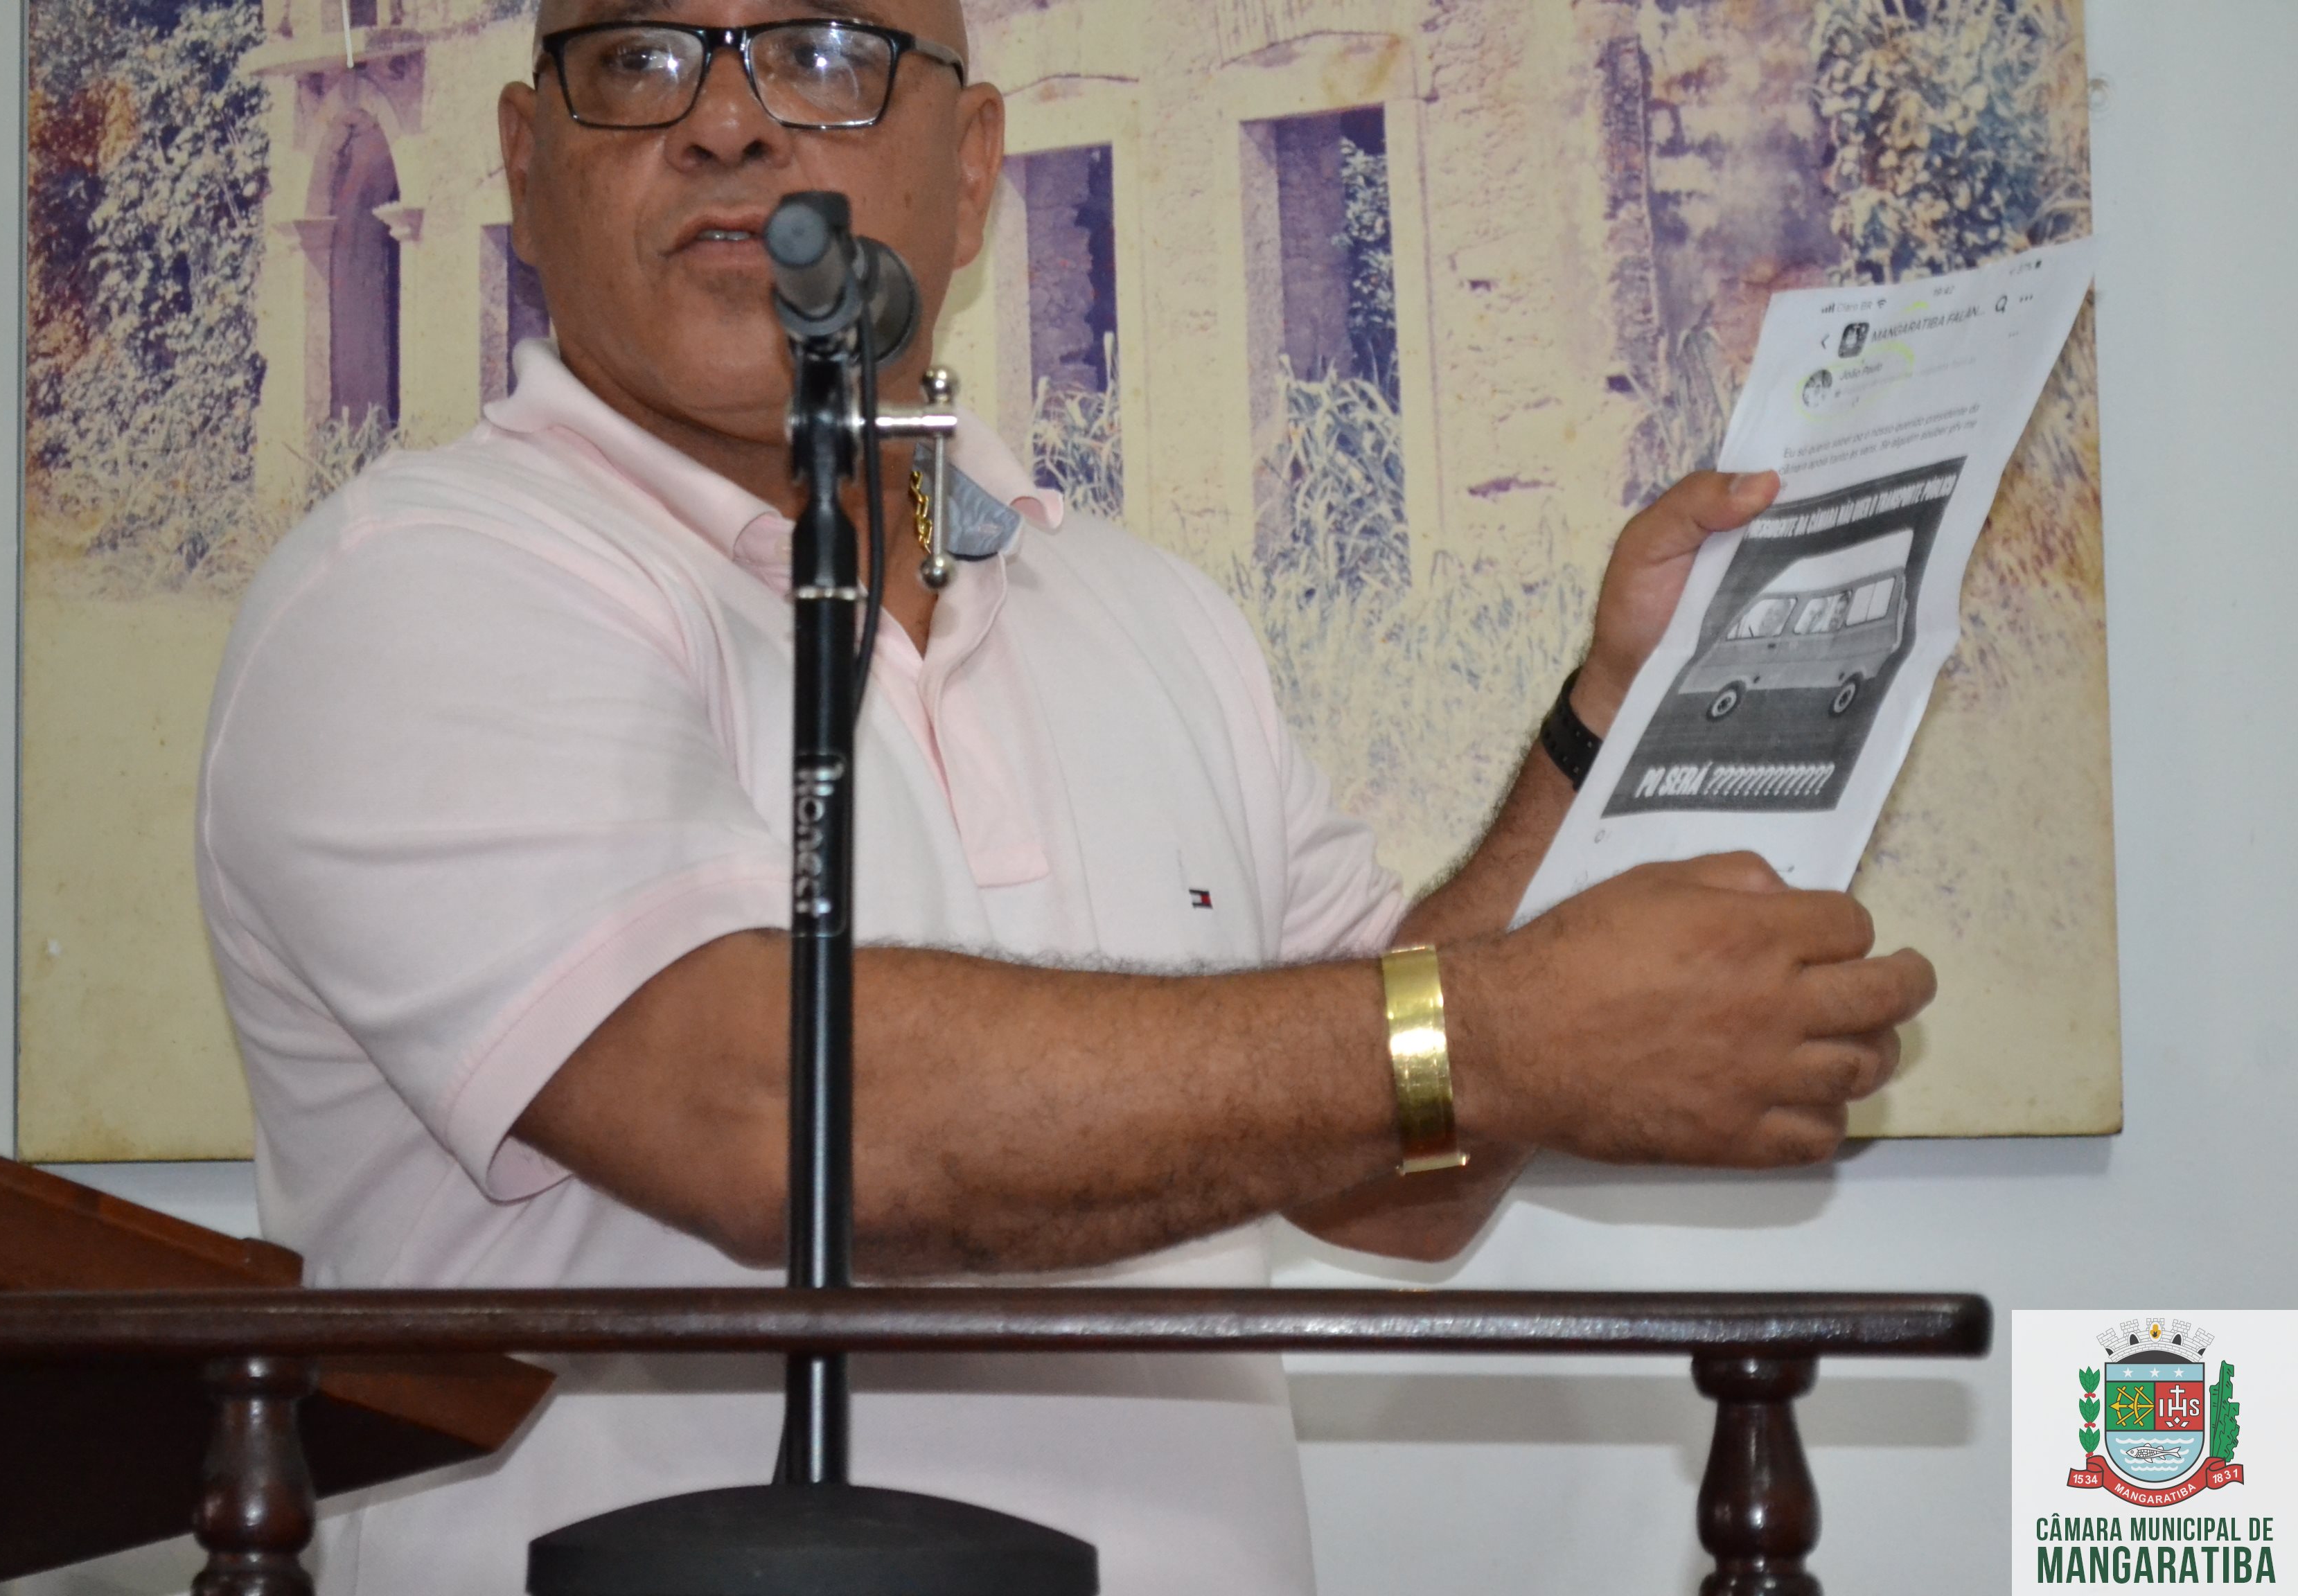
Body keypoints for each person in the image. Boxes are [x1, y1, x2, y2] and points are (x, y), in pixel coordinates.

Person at [195, 0, 1936, 1588]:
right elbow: (771, 1122)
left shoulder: (1151, 615)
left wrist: (1599, 725)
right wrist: (1507, 1032)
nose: (726, 122)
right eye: (641, 60)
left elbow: (1398, 1174)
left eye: (821, 54)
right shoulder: (409, 587)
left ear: (972, 170)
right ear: (526, 161)